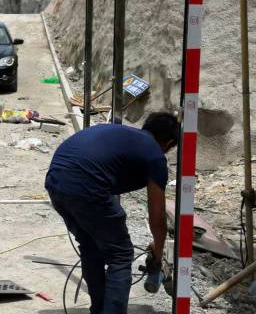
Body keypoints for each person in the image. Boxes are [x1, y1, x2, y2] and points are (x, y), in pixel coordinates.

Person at [45, 112, 179, 314]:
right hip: (86, 187)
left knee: (91, 245)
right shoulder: (154, 155)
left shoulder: (123, 135)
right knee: (121, 255)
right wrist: (158, 252)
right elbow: (157, 216)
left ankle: (99, 310)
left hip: (56, 182)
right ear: (168, 143)